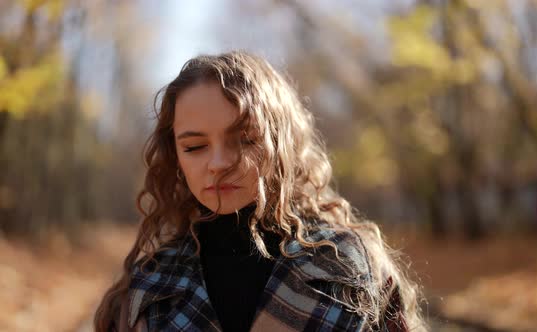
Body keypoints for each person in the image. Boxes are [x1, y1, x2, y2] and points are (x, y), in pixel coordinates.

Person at [94, 51, 426, 332]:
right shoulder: (148, 288)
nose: (219, 162)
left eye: (246, 139)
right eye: (195, 147)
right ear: (175, 158)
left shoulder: (348, 265)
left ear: (282, 143)